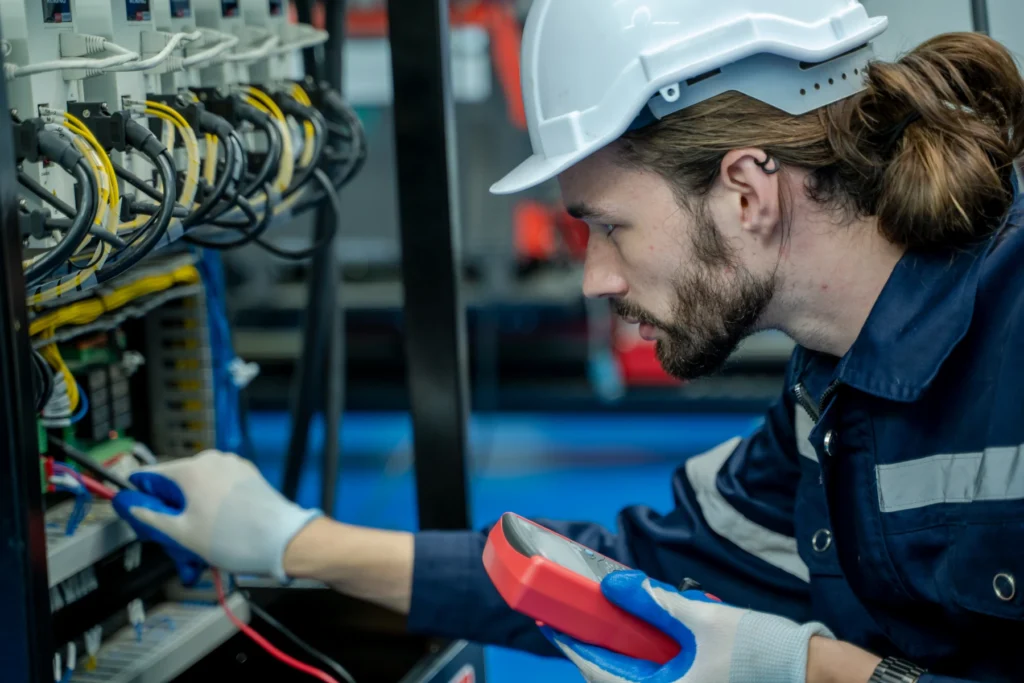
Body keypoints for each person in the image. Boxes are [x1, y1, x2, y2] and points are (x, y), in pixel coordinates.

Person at [112, 1, 1024, 682]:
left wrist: (813, 670)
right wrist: (290, 540)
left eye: (609, 225)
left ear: (748, 190)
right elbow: (631, 575)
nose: (593, 277)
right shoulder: (827, 397)